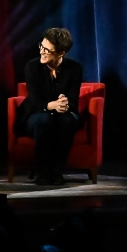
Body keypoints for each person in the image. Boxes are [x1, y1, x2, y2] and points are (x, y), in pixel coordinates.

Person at [14, 27, 83, 185]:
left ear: (61, 53)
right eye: (41, 46)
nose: (42, 52)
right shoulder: (32, 67)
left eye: (48, 50)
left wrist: (64, 104)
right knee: (45, 122)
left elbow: (73, 100)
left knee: (69, 121)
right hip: (36, 113)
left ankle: (57, 172)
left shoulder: (75, 68)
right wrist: (51, 105)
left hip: (63, 114)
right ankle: (43, 172)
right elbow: (35, 100)